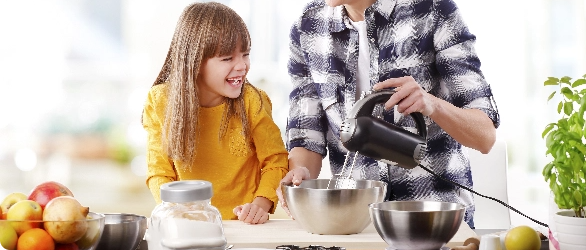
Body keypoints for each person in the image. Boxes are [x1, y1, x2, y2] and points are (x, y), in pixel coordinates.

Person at [278, 0, 500, 229]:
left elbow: (484, 136)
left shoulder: (434, 10)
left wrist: (433, 105)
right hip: (358, 225)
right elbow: (307, 138)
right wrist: (300, 173)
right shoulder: (308, 26)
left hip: (434, 221)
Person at [142, 2, 289, 224]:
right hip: (187, 224)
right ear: (195, 62)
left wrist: (260, 204)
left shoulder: (253, 101)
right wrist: (175, 211)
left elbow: (276, 162)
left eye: (245, 54)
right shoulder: (160, 101)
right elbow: (159, 172)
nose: (242, 66)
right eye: (227, 58)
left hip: (244, 227)